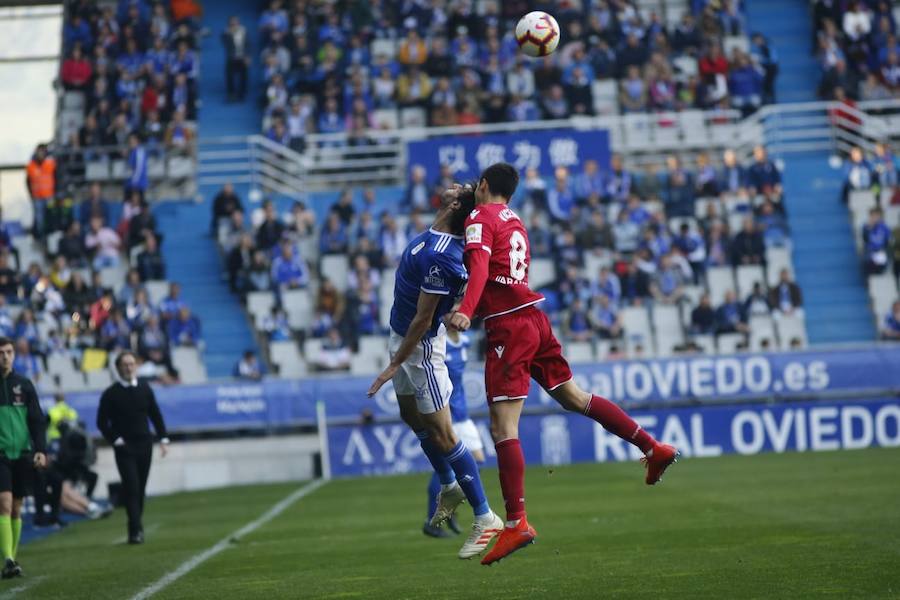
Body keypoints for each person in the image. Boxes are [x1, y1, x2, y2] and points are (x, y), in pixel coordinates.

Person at [447, 163, 677, 566]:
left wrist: (466, 310)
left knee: (503, 426)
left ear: (483, 186)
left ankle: (517, 521)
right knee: (573, 396)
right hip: (534, 318)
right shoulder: (513, 218)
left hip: (510, 326)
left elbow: (481, 266)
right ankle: (652, 447)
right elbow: (492, 249)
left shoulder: (480, 218)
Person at [367, 184, 504, 560]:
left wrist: (395, 362)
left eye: (459, 187)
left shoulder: (440, 255)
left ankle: (485, 515)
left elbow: (425, 317)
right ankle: (449, 483)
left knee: (444, 434)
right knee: (410, 416)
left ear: (455, 203)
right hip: (401, 338)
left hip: (419, 347)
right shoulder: (434, 238)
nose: (452, 184)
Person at [96, 351, 169, 544]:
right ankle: (136, 529)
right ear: (118, 368)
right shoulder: (111, 394)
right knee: (132, 487)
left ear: (136, 366)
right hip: (125, 448)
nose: (129, 368)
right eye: (125, 365)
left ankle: (135, 526)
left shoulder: (145, 388)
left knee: (141, 488)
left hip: (145, 444)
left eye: (131, 364)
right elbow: (102, 423)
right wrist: (116, 440)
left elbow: (155, 414)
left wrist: (163, 438)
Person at [422, 327, 485, 538]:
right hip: (448, 412)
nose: (458, 313)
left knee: (476, 460)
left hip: (462, 411)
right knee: (452, 466)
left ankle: (448, 507)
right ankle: (434, 518)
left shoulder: (466, 341)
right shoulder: (439, 342)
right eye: (453, 310)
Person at [0, 337, 47, 578]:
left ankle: (10, 560)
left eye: (8, 352)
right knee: (4, 504)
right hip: (0, 455)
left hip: (23, 454)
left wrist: (41, 449)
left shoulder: (25, 385)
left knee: (16, 508)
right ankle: (8, 558)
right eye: (1, 353)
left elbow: (38, 421)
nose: (5, 357)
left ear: (14, 355)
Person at [25, 144, 56, 238]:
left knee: (51, 217)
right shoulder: (31, 166)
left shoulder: (50, 163)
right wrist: (31, 194)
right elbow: (28, 181)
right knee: (39, 219)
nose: (41, 153)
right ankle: (41, 237)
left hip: (49, 195)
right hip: (37, 197)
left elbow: (56, 177)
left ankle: (50, 235)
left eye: (43, 151)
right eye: (39, 151)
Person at [222, 16, 250, 102]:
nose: (234, 25)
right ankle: (231, 94)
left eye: (235, 23)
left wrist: (248, 56)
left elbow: (248, 44)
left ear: (238, 23)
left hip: (243, 57)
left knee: (244, 76)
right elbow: (224, 42)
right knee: (229, 75)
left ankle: (241, 94)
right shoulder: (226, 32)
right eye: (232, 23)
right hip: (232, 57)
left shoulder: (244, 31)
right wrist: (229, 33)